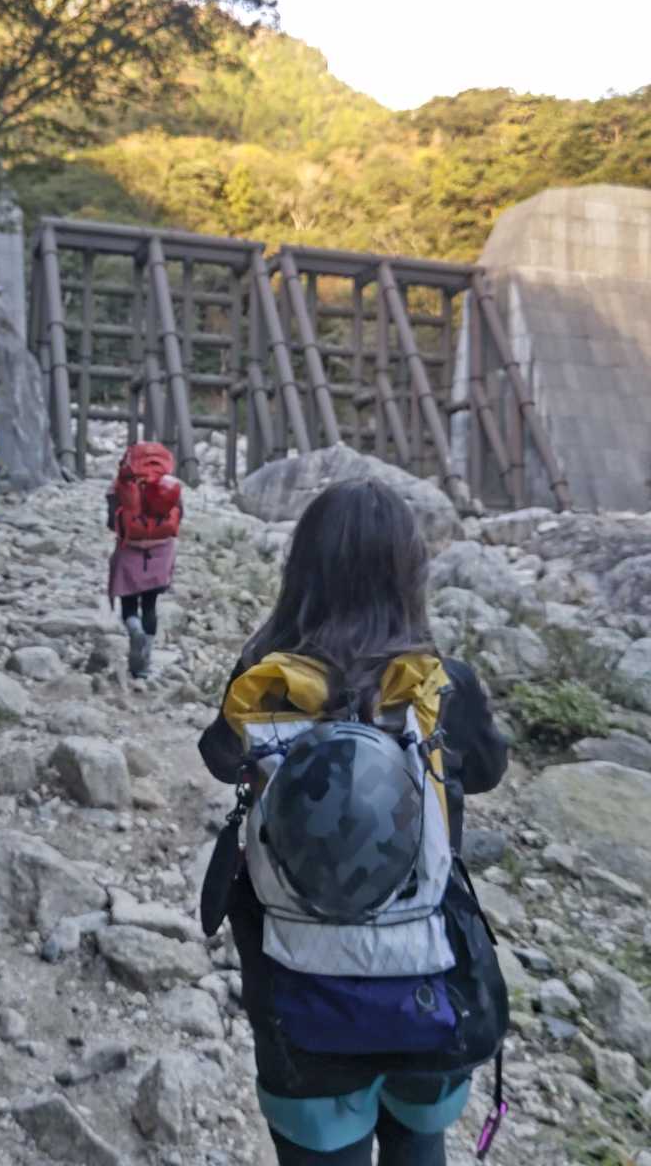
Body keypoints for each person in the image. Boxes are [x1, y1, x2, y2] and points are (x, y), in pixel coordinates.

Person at [198, 479, 509, 1166]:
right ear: (409, 576)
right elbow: (488, 770)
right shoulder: (442, 684)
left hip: (299, 994)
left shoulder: (264, 678)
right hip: (429, 983)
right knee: (419, 1142)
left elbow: (218, 760)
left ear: (302, 569)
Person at [106, 440, 183, 679]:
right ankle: (145, 663)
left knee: (129, 605)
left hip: (130, 550)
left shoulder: (121, 485)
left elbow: (111, 522)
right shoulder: (168, 483)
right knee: (150, 605)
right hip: (161, 553)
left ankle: (134, 631)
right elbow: (179, 517)